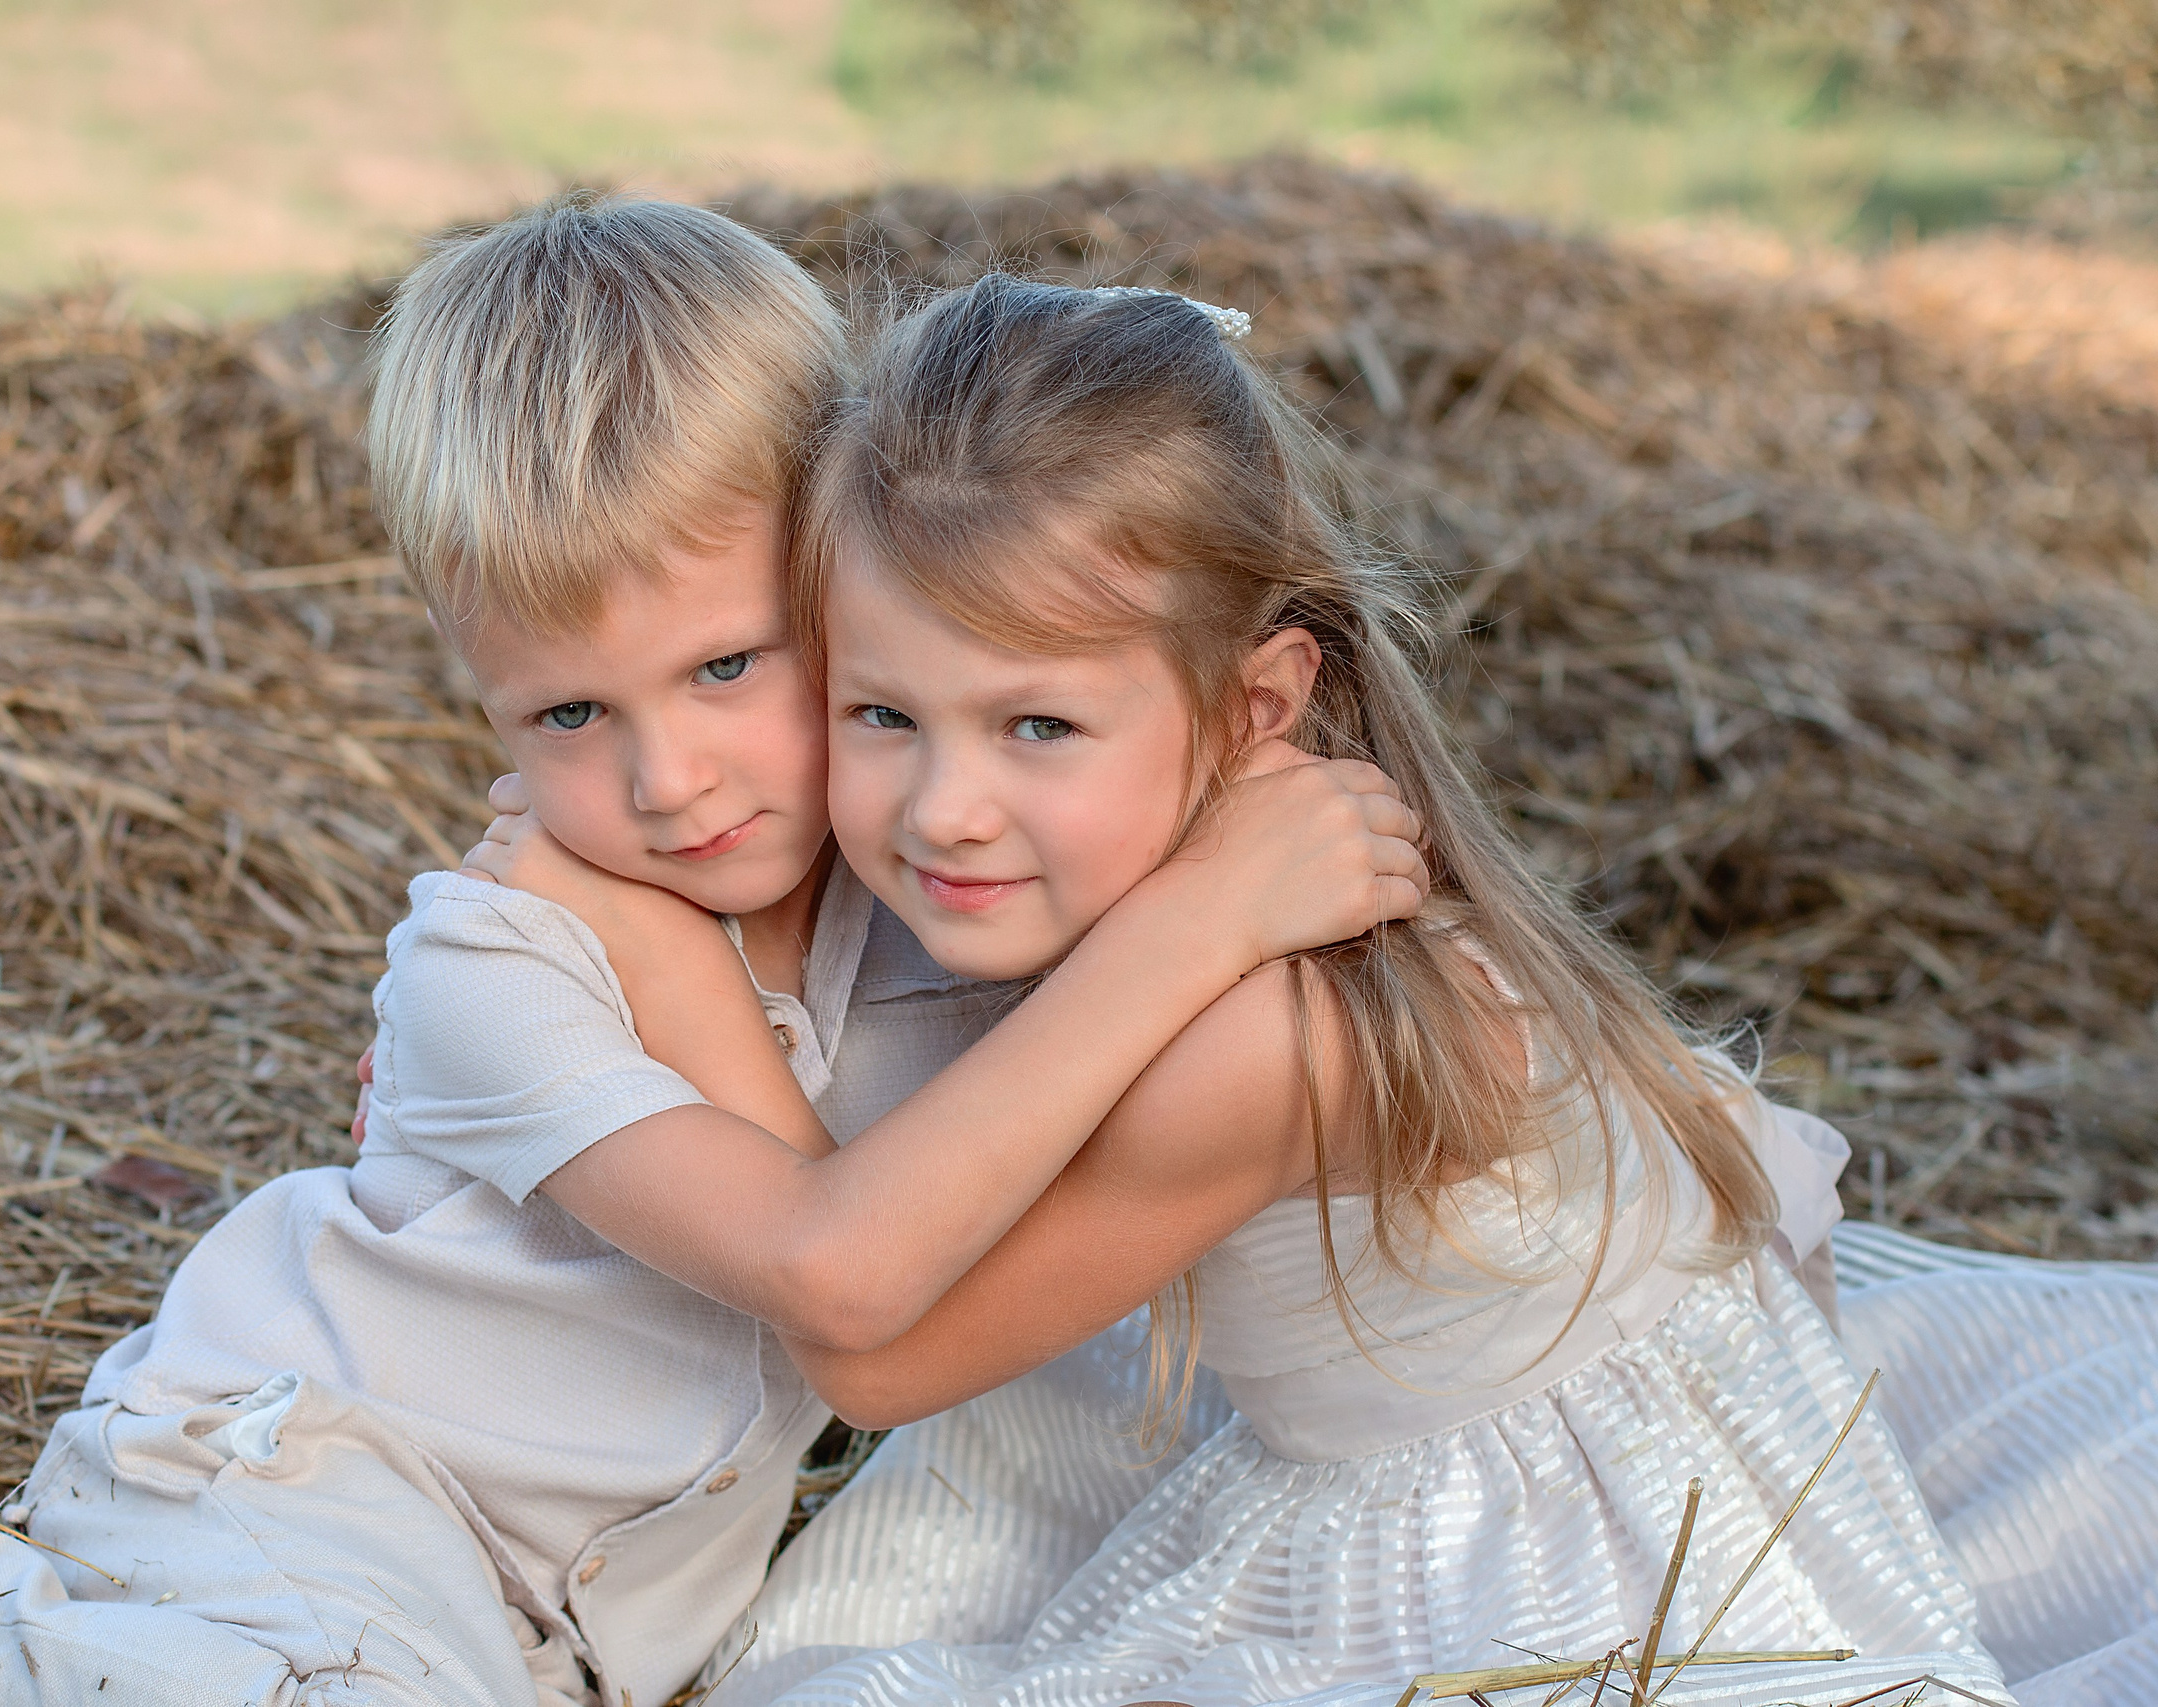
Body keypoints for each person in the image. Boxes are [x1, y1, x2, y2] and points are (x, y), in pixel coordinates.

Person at [0, 202, 1427, 1707]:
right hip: (319, 1477)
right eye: (567, 712)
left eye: (732, 668)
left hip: (575, 1628)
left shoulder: (930, 875)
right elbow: (840, 1273)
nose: (665, 781)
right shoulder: (495, 961)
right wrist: (1206, 918)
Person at [476, 274, 2150, 1707]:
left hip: (1537, 1541)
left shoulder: (1264, 1024)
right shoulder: (1146, 846)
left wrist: (649, 939)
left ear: (1260, 703)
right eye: (883, 714)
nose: (942, 811)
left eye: (1034, 724)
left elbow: (877, 1357)